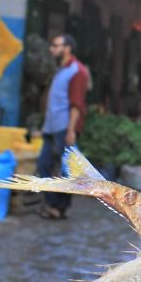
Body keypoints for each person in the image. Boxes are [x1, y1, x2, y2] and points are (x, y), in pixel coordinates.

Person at [36, 33, 89, 220]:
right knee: (43, 165)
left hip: (64, 126)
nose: (52, 49)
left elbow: (77, 104)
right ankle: (52, 203)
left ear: (67, 48)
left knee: (68, 169)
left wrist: (71, 130)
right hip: (51, 126)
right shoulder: (60, 70)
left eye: (56, 46)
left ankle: (60, 206)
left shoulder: (77, 71)